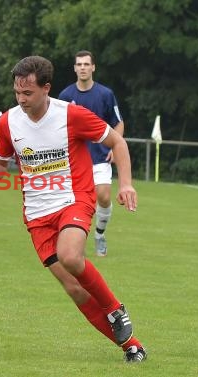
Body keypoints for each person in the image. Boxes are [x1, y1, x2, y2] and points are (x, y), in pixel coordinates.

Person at [0, 56, 147, 363]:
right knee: (75, 290)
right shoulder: (8, 121)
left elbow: (118, 143)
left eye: (28, 93)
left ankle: (115, 309)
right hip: (36, 215)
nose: (21, 99)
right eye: (17, 93)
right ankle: (131, 347)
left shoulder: (71, 115)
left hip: (74, 199)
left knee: (71, 255)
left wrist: (125, 184)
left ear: (46, 88)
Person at [59, 51, 124, 257]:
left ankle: (99, 235)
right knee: (75, 202)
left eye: (87, 64)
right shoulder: (65, 96)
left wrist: (115, 147)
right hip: (73, 161)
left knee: (103, 197)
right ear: (75, 68)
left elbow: (118, 123)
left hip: (99, 156)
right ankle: (75, 242)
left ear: (93, 67)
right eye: (79, 64)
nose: (83, 67)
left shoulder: (105, 94)